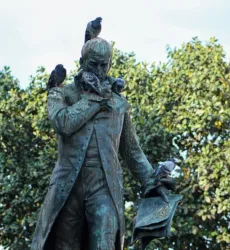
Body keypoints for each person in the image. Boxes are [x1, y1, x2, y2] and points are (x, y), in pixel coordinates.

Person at [31, 37, 160, 250]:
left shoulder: (118, 104)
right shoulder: (63, 93)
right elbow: (63, 123)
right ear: (82, 62)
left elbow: (131, 150)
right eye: (94, 64)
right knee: (65, 245)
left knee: (104, 240)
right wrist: (95, 99)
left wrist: (153, 182)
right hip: (68, 187)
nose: (100, 70)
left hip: (104, 186)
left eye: (104, 65)